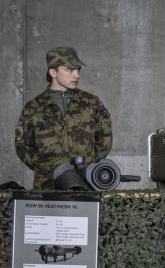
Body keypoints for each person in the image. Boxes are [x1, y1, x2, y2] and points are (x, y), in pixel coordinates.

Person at [14, 46, 113, 190]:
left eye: (78, 70)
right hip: (46, 187)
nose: (76, 75)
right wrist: (44, 166)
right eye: (69, 70)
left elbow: (105, 138)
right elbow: (22, 145)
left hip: (85, 184)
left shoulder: (92, 103)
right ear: (53, 72)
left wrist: (89, 166)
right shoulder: (33, 107)